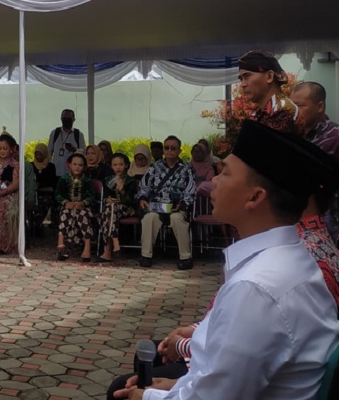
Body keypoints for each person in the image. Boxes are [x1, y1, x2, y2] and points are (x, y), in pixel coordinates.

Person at [113, 121, 339, 400]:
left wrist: (145, 397)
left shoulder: (256, 287)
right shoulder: (288, 259)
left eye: (226, 174)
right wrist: (175, 387)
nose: (214, 181)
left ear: (255, 197)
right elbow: (219, 377)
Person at [136, 136, 197, 269]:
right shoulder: (154, 167)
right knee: (149, 218)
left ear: (179, 150)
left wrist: (183, 204)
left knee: (177, 219)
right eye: (166, 147)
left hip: (176, 207)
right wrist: (142, 199)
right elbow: (144, 186)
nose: (169, 151)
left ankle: (185, 258)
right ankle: (146, 256)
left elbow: (191, 190)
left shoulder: (187, 169)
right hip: (157, 206)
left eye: (173, 148)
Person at [293, 81, 339, 239]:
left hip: (331, 226)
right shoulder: (293, 137)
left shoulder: (334, 137)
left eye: (300, 106)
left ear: (320, 106)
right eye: (292, 107)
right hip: (299, 226)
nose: (295, 112)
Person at [237, 49, 298, 133]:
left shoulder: (282, 110)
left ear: (269, 76)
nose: (242, 84)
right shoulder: (263, 112)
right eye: (241, 79)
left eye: (247, 76)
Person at [55, 152, 95, 261]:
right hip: (68, 206)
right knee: (64, 213)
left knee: (82, 215)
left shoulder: (87, 180)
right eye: (75, 164)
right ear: (70, 165)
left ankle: (87, 248)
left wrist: (83, 203)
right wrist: (66, 203)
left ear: (84, 167)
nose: (77, 167)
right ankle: (61, 246)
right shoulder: (63, 179)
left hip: (82, 207)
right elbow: (58, 195)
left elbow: (92, 196)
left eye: (80, 165)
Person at [99, 153, 138, 262]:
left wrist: (122, 191)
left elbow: (131, 201)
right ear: (111, 166)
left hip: (127, 208)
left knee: (109, 210)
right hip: (113, 209)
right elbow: (104, 197)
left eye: (121, 164)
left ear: (126, 165)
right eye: (115, 165)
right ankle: (115, 241)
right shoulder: (108, 180)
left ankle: (108, 250)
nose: (118, 167)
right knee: (110, 208)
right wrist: (107, 199)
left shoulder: (130, 181)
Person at [47, 108, 86, 176]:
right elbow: (49, 152)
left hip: (73, 174)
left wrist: (74, 150)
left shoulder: (78, 134)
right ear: (61, 118)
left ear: (73, 119)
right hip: (56, 172)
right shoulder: (55, 133)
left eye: (69, 117)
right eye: (64, 117)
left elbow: (84, 153)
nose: (66, 119)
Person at [33, 142, 58, 228]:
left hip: (46, 193)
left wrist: (39, 184)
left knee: (43, 203)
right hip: (33, 193)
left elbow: (52, 181)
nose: (38, 157)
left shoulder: (51, 166)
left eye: (40, 154)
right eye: (36, 154)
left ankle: (38, 224)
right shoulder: (31, 165)